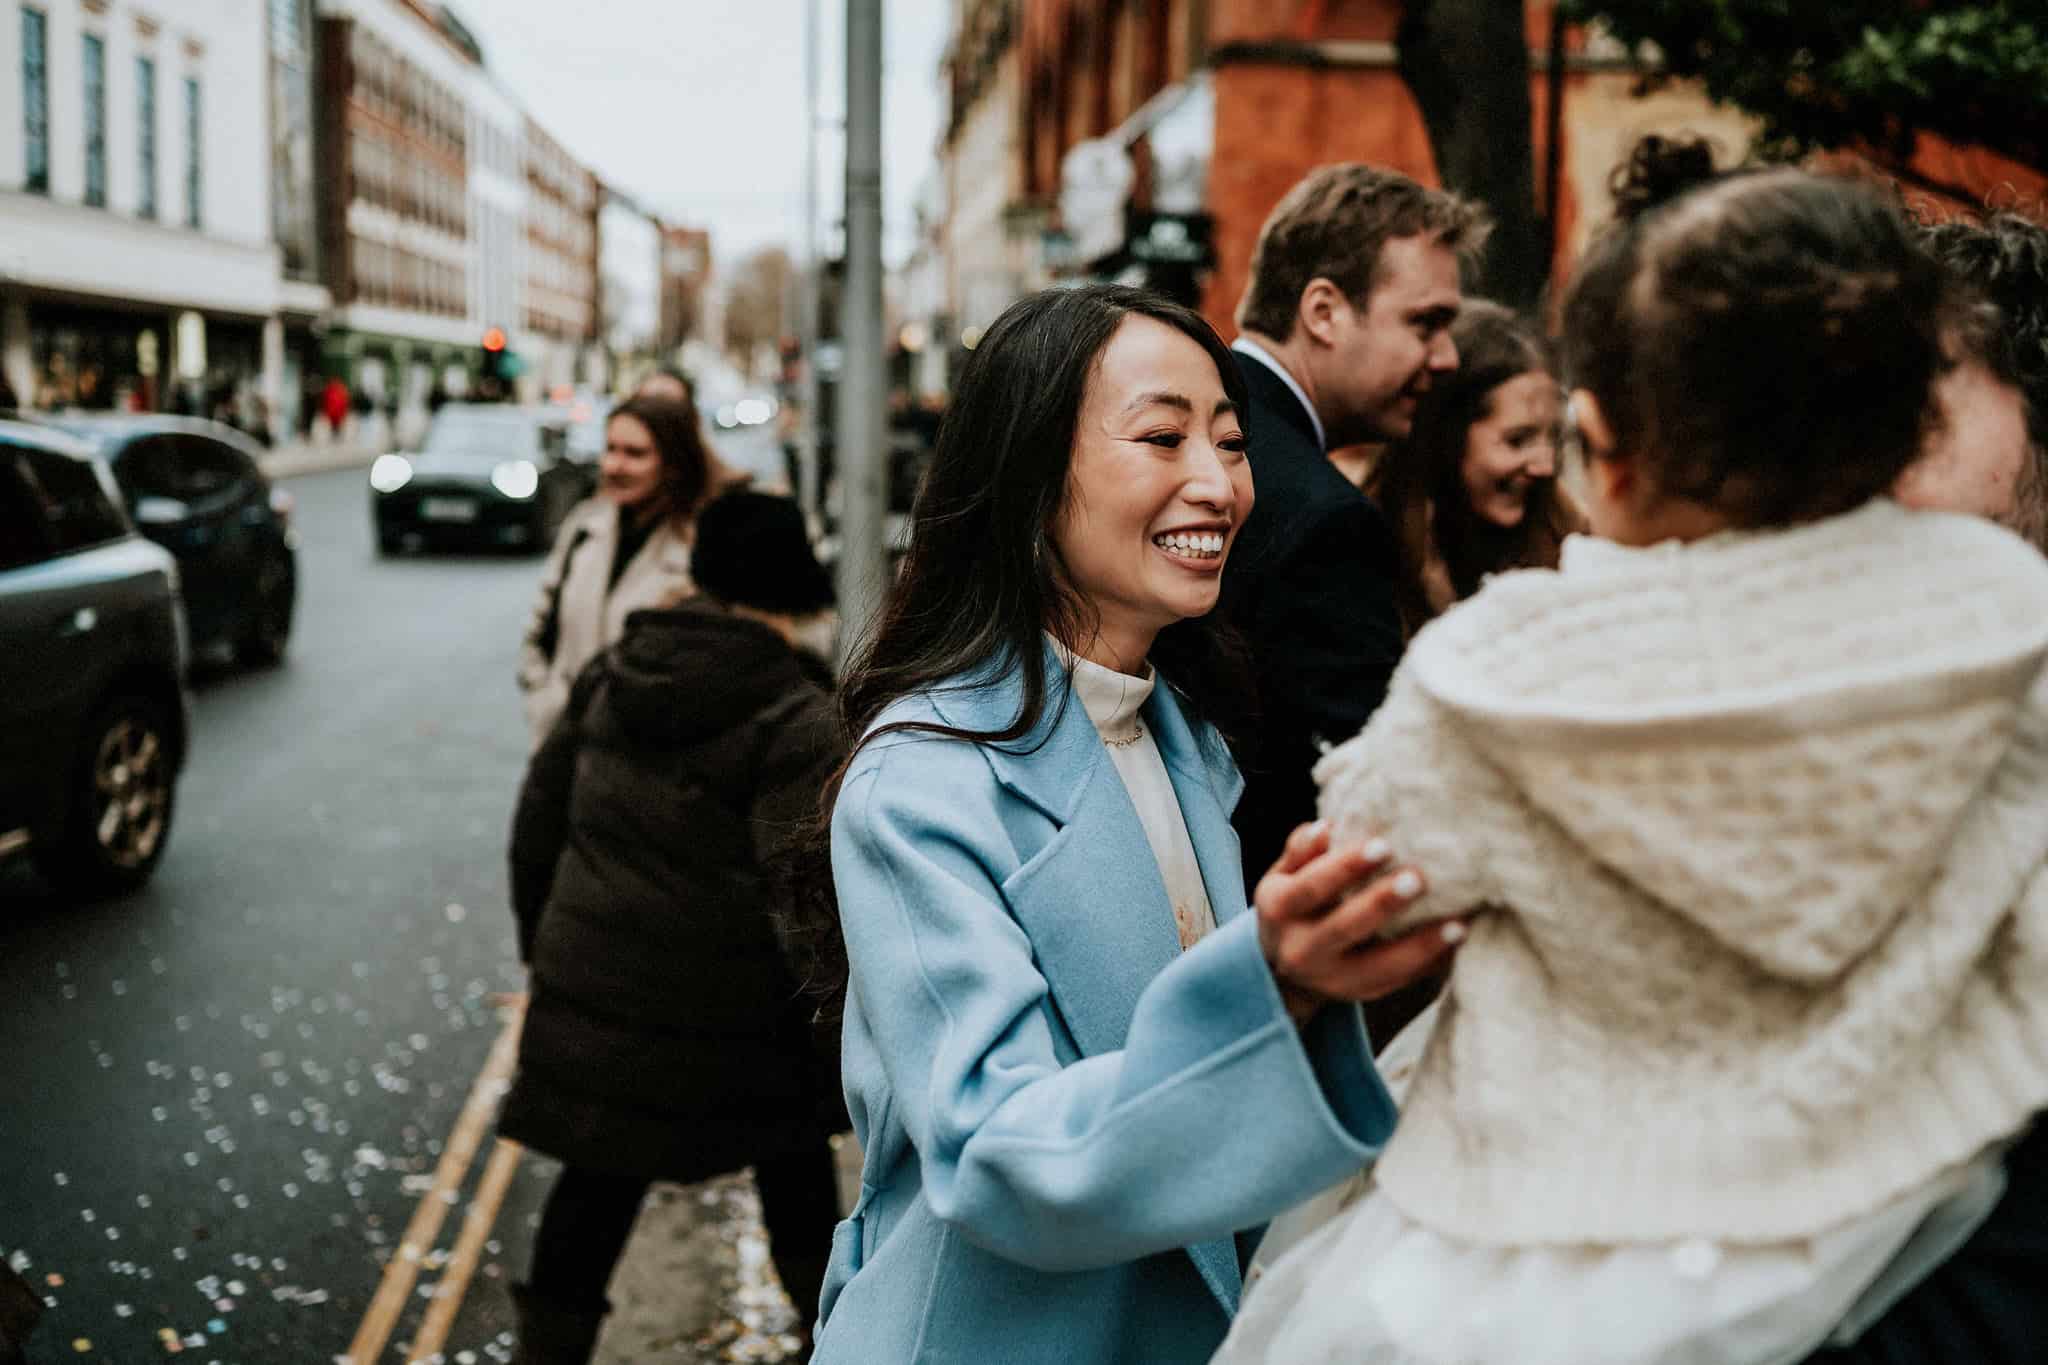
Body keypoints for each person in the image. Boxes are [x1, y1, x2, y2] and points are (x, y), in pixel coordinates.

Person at [1216, 163, 2048, 1365]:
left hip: (1550, 1237)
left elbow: (1372, 844)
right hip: (1899, 1195)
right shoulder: (2002, 619)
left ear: (1600, 448)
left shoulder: (1503, 667)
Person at [806, 283, 1461, 1363]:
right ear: (1025, 475)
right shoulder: (922, 779)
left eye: (1231, 441)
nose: (1216, 485)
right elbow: (995, 1154)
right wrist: (1275, 983)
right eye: (1160, 437)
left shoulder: (1181, 735)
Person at [500, 488, 845, 1364]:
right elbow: (805, 899)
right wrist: (841, 1027)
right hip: (746, 1019)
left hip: (608, 1000)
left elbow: (535, 828)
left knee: (593, 1187)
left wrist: (552, 957)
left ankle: (547, 1353)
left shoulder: (616, 673)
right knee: (798, 1175)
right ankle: (839, 1335)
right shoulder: (796, 713)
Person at [1220, 163, 1487, 1048]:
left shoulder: (1222, 422)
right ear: (1324, 311)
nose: (1446, 358)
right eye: (1426, 323)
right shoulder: (1319, 514)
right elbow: (1363, 799)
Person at [516, 394, 741, 748]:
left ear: (673, 463)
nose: (615, 466)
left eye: (634, 453)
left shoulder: (706, 544)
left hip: (651, 764)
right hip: (566, 752)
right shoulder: (585, 525)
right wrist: (546, 700)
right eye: (610, 449)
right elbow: (540, 631)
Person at [1364, 300, 1578, 637]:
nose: (1545, 466)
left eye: (1554, 438)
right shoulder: (1367, 553)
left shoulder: (1567, 540)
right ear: (1447, 436)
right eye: (1517, 440)